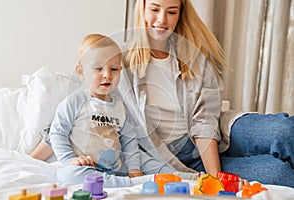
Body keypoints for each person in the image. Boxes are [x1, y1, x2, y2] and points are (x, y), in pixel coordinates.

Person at [115, 0, 294, 188]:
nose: (162, 19)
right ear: (141, 9)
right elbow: (97, 109)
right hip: (179, 160)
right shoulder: (119, 62)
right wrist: (216, 180)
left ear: (180, 14)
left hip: (216, 132)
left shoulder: (193, 57)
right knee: (278, 174)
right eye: (154, 9)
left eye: (172, 12)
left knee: (284, 130)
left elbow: (204, 121)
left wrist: (215, 175)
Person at [32, 33, 202, 187]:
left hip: (116, 162)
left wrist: (134, 167)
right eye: (98, 69)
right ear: (81, 72)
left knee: (147, 160)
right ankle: (136, 182)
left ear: (120, 70)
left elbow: (129, 141)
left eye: (113, 69)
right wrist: (70, 160)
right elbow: (57, 134)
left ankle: (184, 177)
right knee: (69, 175)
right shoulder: (74, 102)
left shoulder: (120, 106)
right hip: (86, 165)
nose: (107, 74)